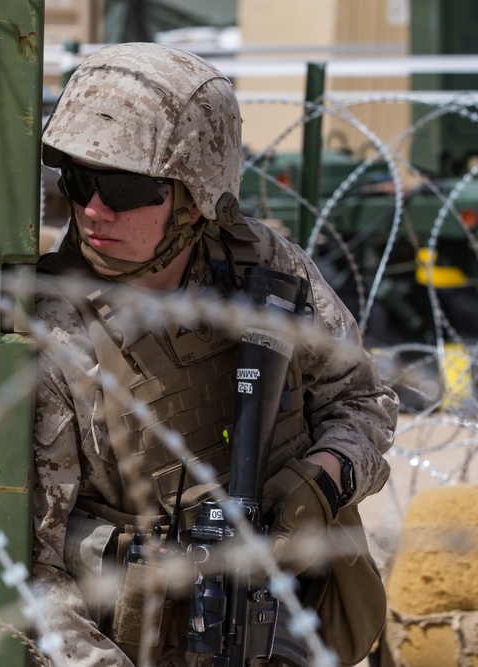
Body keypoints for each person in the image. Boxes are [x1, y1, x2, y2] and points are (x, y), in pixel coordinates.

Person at [31, 43, 398, 666]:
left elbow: (363, 400)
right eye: (78, 181)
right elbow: (34, 565)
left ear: (194, 194)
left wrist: (323, 479)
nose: (92, 210)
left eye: (122, 186)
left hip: (290, 622)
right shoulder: (56, 329)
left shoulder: (265, 269)